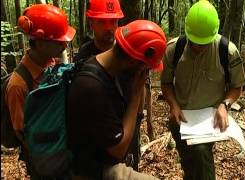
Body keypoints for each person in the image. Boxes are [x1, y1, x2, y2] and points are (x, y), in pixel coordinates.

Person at [67, 19, 166, 180]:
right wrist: (135, 95)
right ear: (134, 62)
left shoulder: (107, 69)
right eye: (146, 68)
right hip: (92, 171)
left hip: (103, 163)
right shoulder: (92, 87)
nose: (146, 73)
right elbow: (119, 149)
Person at [160, 1, 245, 180]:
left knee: (200, 155)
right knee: (191, 163)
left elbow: (237, 87)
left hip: (210, 122)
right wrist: (173, 105)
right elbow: (166, 83)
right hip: (180, 118)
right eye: (195, 42)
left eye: (204, 44)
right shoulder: (173, 49)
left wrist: (225, 105)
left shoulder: (227, 51)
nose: (198, 48)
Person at [5, 4, 75, 179]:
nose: (64, 46)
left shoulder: (51, 64)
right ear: (41, 42)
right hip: (43, 161)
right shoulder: (18, 85)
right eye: (59, 42)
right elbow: (23, 133)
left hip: (64, 151)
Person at [74, 0, 144, 171]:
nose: (109, 27)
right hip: (99, 150)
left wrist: (138, 120)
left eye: (113, 21)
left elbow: (139, 88)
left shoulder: (128, 52)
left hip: (129, 128)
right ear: (91, 23)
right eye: (102, 22)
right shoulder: (83, 58)